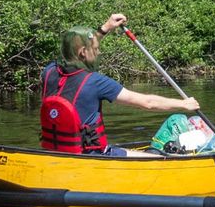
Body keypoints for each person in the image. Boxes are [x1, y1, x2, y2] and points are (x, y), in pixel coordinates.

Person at [38, 13, 199, 156]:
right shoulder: (96, 82)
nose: (99, 52)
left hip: (56, 152)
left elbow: (76, 50)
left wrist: (105, 28)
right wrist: (184, 104)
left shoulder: (49, 72)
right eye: (96, 49)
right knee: (157, 159)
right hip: (93, 155)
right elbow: (147, 102)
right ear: (83, 52)